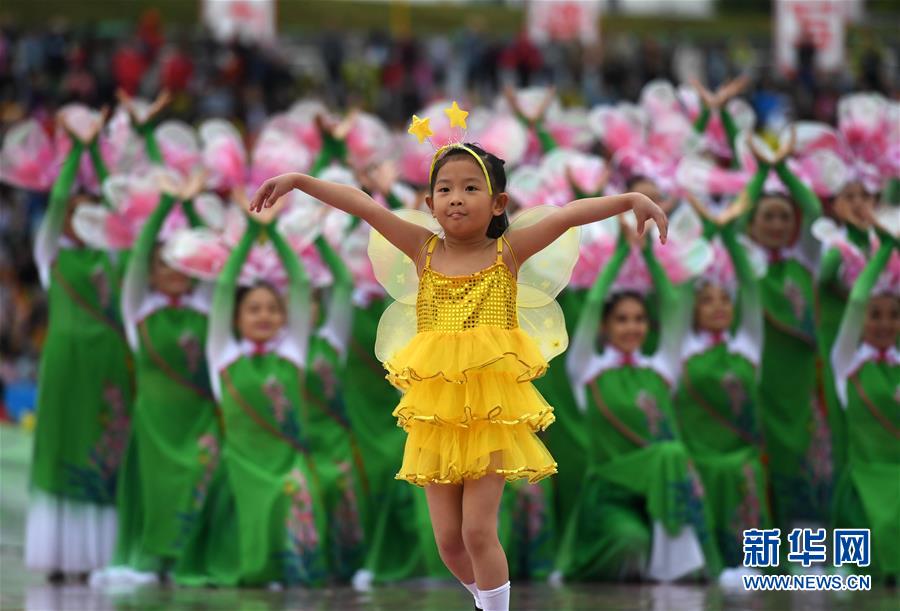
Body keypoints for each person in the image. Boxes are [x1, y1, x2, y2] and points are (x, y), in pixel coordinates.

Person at [250, 102, 667, 610]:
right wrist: (298, 179)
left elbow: (567, 215)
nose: (456, 198)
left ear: (497, 203)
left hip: (491, 409)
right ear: (428, 202)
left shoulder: (507, 253)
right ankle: (486, 601)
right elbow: (364, 206)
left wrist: (633, 198)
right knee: (448, 540)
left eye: (471, 188)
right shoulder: (422, 250)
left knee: (476, 530)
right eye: (445, 189)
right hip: (436, 412)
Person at [556, 218, 719, 583]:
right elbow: (595, 300)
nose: (632, 327)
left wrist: (646, 254)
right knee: (631, 542)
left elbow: (674, 305)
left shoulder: (662, 368)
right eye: (622, 320)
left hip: (661, 489)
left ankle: (674, 568)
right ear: (605, 327)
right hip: (612, 493)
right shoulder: (587, 370)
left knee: (671, 456)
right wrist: (619, 253)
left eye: (640, 319)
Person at [25, 112, 133, 581]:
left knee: (105, 451)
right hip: (65, 367)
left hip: (111, 366)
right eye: (75, 211)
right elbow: (53, 207)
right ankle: (57, 555)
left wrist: (98, 161)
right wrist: (78, 153)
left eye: (92, 214)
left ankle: (99, 556)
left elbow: (120, 208)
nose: (81, 219)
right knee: (60, 448)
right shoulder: (52, 255)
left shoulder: (114, 255)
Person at [830, 229, 899, 583]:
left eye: (893, 314)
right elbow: (856, 299)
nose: (884, 323)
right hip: (863, 489)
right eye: (876, 315)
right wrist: (888, 246)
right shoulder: (847, 364)